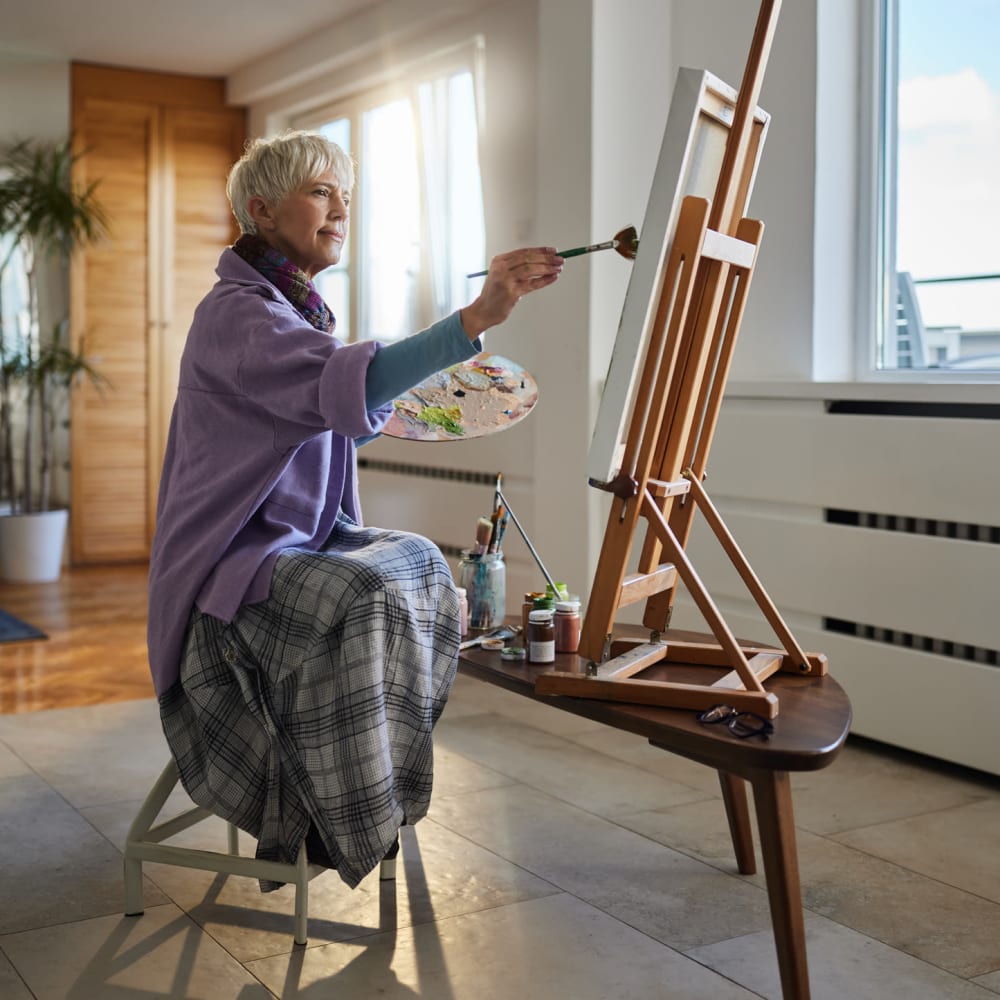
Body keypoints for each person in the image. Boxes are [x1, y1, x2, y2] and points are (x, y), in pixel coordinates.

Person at [146, 129, 562, 890]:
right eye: (320, 193)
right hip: (232, 558)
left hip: (299, 538)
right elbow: (348, 385)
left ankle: (372, 796)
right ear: (261, 209)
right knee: (365, 591)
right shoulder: (239, 314)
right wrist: (476, 317)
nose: (340, 210)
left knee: (426, 563)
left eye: (346, 195)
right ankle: (339, 815)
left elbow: (341, 387)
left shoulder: (298, 308)